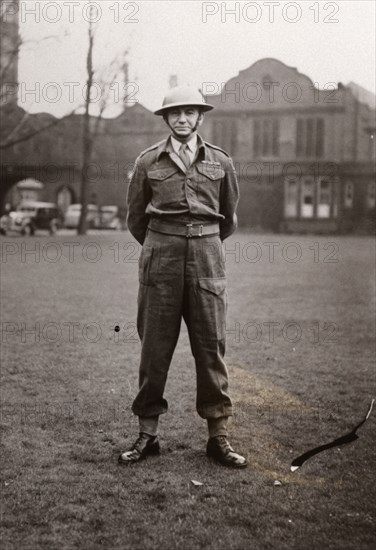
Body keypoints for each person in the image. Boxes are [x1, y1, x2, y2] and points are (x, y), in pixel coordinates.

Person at [119, 86, 247, 468]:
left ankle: (218, 438)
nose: (182, 119)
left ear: (200, 118)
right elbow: (136, 219)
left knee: (211, 347)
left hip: (207, 257)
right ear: (165, 119)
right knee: (155, 348)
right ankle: (148, 435)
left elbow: (229, 216)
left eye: (189, 112)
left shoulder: (221, 162)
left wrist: (199, 241)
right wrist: (167, 243)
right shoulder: (147, 162)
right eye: (174, 113)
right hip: (161, 257)